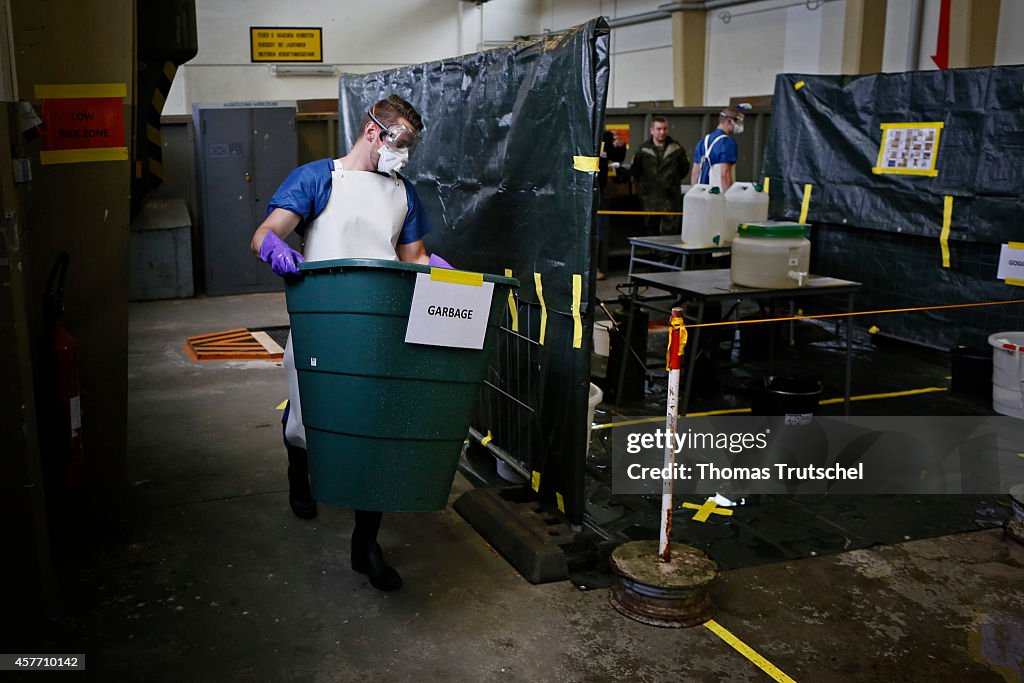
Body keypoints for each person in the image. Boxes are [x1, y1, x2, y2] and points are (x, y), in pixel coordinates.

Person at [250, 94, 436, 592]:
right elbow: (268, 231)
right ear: (374, 132)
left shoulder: (404, 193)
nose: (407, 155)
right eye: (403, 143)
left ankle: (365, 545)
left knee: (374, 431)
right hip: (323, 321)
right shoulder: (317, 178)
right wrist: (273, 245)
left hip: (380, 326)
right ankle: (298, 468)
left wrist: (438, 273)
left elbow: (414, 258)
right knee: (308, 422)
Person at [629, 116, 688, 236]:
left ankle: (667, 255)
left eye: (665, 129)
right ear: (652, 130)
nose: (662, 132)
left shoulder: (677, 149)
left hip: (670, 200)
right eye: (659, 129)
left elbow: (684, 169)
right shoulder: (643, 150)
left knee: (670, 233)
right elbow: (636, 171)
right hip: (649, 199)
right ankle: (653, 255)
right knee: (651, 232)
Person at [596, 129, 627, 279]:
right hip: (577, 191)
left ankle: (596, 267)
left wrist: (620, 146)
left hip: (598, 191)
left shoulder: (605, 136)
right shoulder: (576, 131)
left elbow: (616, 157)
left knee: (599, 232)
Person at [691, 107, 743, 192]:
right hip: (717, 197)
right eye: (737, 121)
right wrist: (728, 199)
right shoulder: (727, 143)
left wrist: (694, 194)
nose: (739, 125)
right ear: (729, 121)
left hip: (701, 195)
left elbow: (695, 173)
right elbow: (725, 175)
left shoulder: (703, 142)